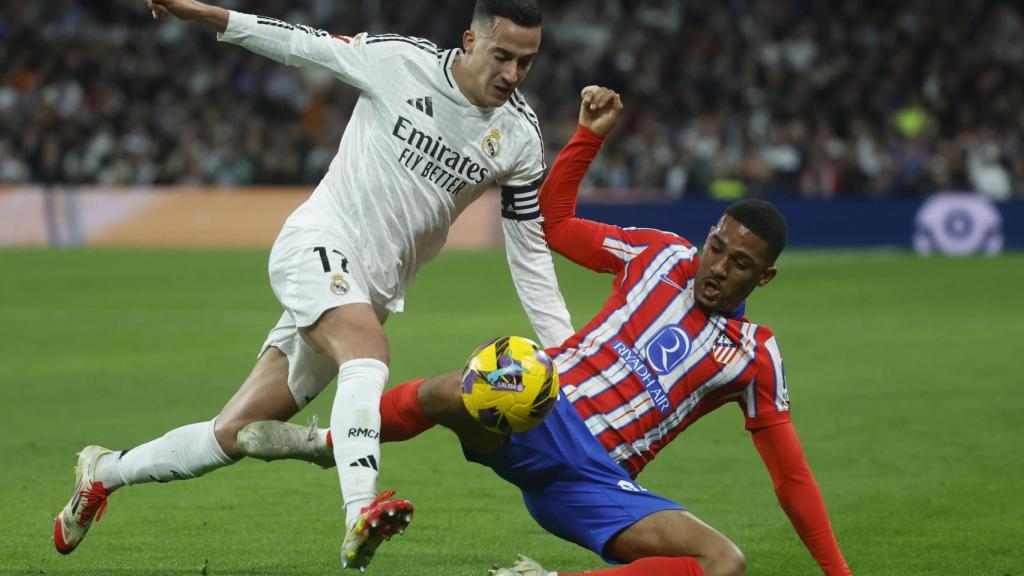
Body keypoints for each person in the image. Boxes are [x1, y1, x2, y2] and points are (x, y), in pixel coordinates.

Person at [242, 86, 852, 575]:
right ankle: (331, 445)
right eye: (716, 246)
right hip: (540, 404)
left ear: (764, 277)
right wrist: (587, 136)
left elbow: (791, 475)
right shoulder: (661, 255)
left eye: (738, 263)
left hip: (597, 479)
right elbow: (555, 224)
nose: (717, 267)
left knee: (724, 563)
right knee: (451, 391)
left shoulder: (754, 355)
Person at [53, 0, 575, 570]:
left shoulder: (520, 137)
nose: (512, 75)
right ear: (472, 42)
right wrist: (198, 13)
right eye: (503, 56)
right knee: (369, 351)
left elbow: (530, 254)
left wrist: (569, 351)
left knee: (232, 435)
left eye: (526, 63)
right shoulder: (397, 61)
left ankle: (103, 473)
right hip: (318, 242)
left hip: (370, 289)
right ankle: (361, 512)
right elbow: (298, 42)